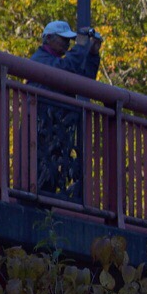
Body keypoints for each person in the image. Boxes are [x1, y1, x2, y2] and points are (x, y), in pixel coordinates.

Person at [27, 18, 100, 200]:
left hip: (56, 130)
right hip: (40, 129)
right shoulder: (40, 59)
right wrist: (81, 47)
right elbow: (66, 70)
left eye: (69, 40)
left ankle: (50, 203)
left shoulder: (56, 61)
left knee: (53, 177)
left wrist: (91, 55)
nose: (67, 43)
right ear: (48, 38)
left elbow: (84, 81)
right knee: (38, 176)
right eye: (63, 39)